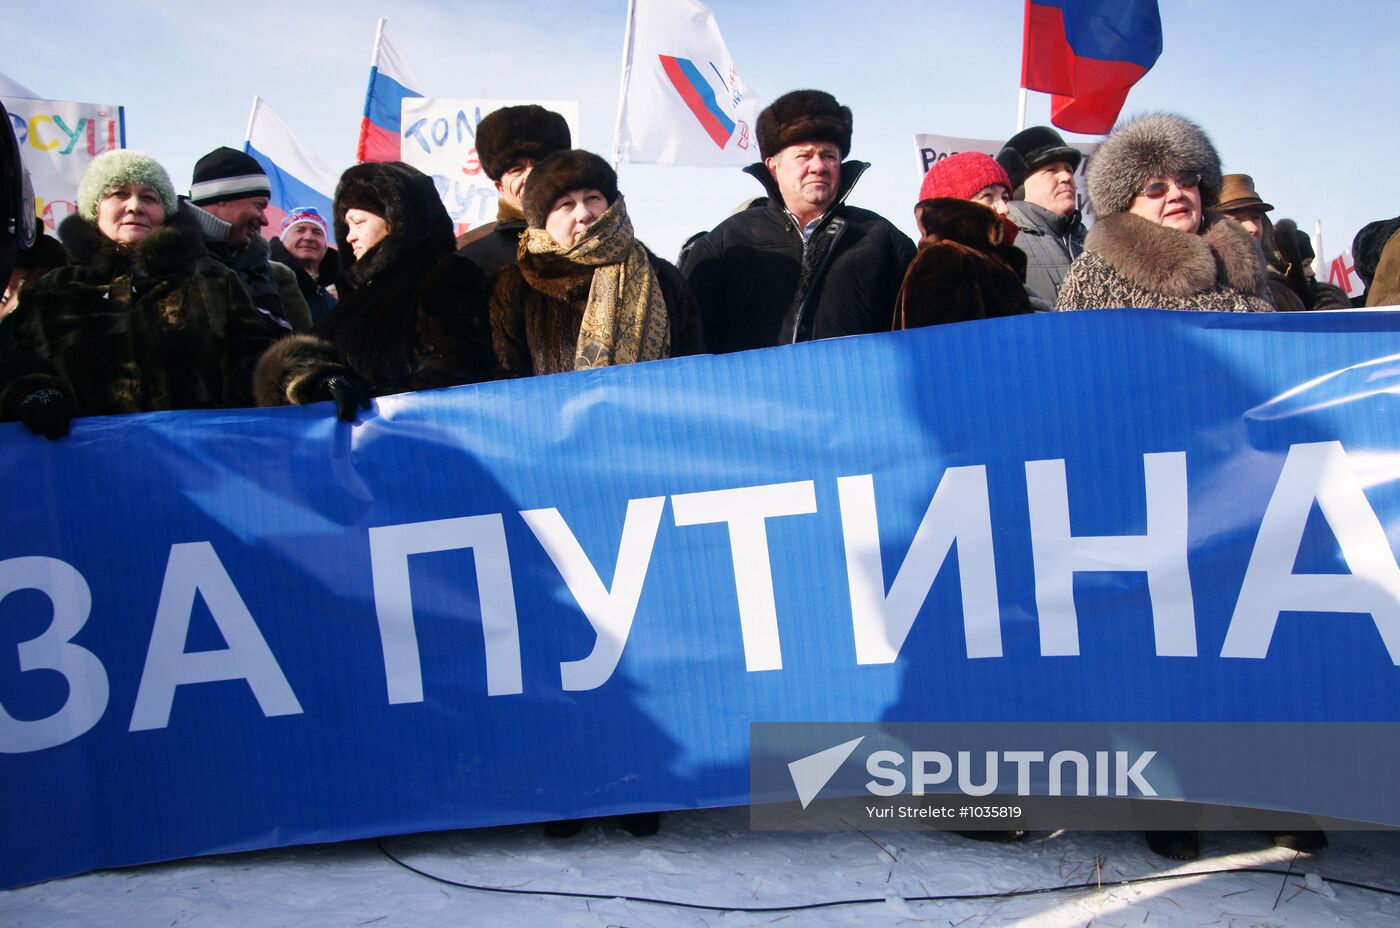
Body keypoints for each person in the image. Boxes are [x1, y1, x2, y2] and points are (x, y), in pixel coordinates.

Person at [0, 150, 298, 438]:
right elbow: (21, 364)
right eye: (118, 194)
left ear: (164, 210)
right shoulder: (53, 291)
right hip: (87, 474)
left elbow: (259, 358)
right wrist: (32, 390)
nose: (134, 206)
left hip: (196, 471)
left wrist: (303, 377)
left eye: (149, 197)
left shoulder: (211, 279)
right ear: (94, 208)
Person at [681, 89, 915, 352]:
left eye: (829, 155)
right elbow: (691, 346)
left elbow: (916, 341)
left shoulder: (884, 241)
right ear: (773, 166)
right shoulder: (726, 243)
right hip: (754, 392)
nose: (818, 166)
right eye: (803, 156)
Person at [255, 161, 495, 408]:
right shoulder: (361, 295)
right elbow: (299, 368)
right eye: (347, 225)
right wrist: (311, 380)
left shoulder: (445, 277)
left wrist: (366, 409)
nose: (350, 236)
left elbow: (452, 374)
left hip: (402, 442)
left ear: (396, 220)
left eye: (359, 222)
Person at [489, 149, 702, 377]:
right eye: (566, 204)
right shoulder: (515, 287)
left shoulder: (662, 277)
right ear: (542, 220)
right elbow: (506, 385)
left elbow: (693, 370)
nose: (583, 214)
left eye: (592, 198)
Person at [1054, 113, 1273, 316]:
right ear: (1126, 205)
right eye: (1156, 188)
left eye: (1186, 180)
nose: (1177, 193)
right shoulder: (1096, 272)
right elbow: (1069, 350)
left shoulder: (1245, 265)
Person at [894, 151, 1035, 331]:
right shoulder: (944, 258)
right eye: (988, 196)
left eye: (1005, 197)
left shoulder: (988, 260)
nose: (1004, 208)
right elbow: (940, 349)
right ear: (954, 204)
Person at [186, 146, 311, 331]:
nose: (264, 220)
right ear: (221, 197)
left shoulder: (275, 275)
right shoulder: (162, 261)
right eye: (259, 206)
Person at [456, 104, 571, 278]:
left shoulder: (597, 240)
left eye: (541, 164)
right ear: (500, 186)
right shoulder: (467, 253)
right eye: (516, 169)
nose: (531, 176)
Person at [996, 126, 1088, 305]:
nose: (1066, 177)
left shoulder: (1097, 244)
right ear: (1020, 187)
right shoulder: (1004, 245)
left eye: (1069, 169)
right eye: (1052, 170)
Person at [1209, 174, 1304, 310]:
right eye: (1237, 219)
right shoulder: (1194, 289)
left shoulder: (1284, 295)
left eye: (1256, 218)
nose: (1252, 228)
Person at [269, 207, 341, 325]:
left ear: (325, 245)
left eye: (317, 232)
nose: (308, 237)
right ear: (283, 240)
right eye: (300, 230)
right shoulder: (268, 281)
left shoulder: (336, 298)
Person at [1273, 218, 1351, 310]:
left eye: (1310, 264)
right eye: (1305, 265)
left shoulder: (1324, 296)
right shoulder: (1271, 297)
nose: (1312, 272)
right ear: (1288, 266)